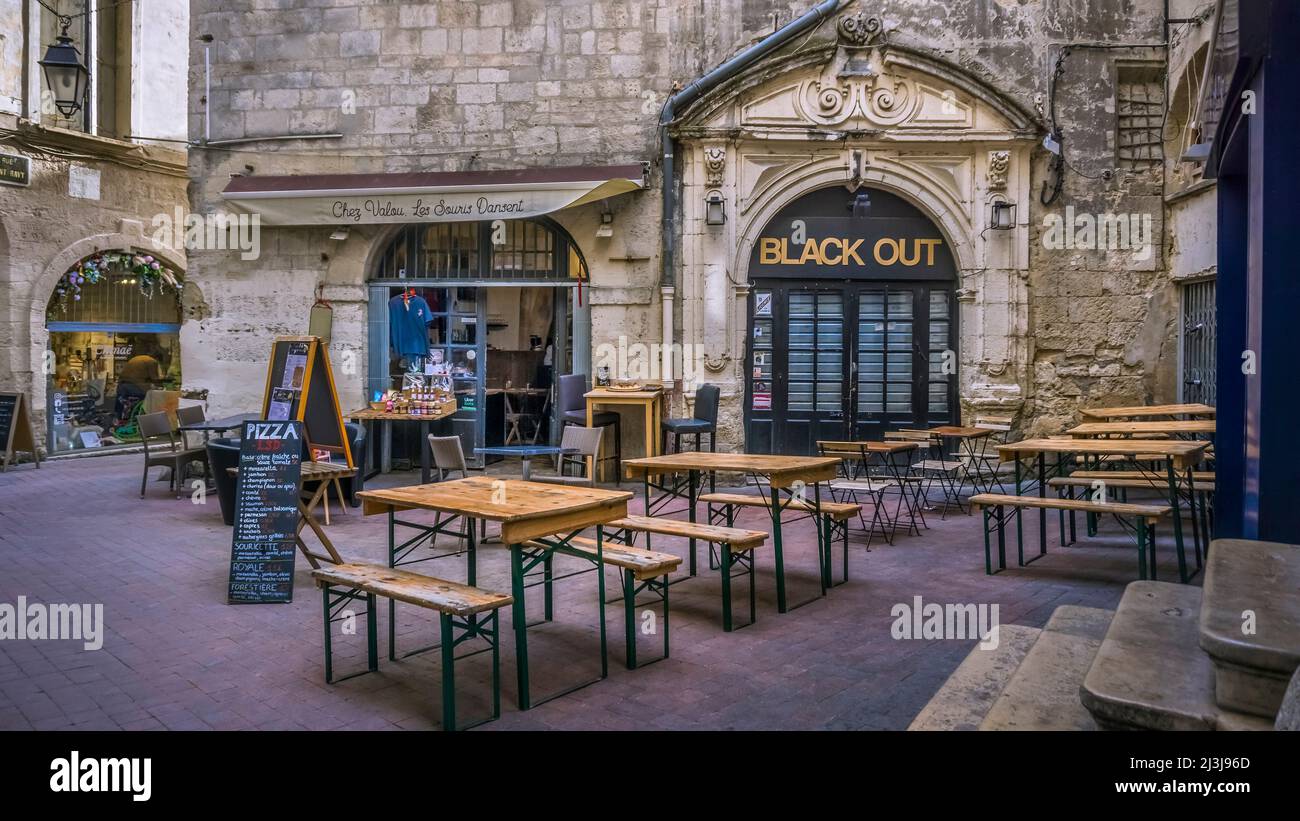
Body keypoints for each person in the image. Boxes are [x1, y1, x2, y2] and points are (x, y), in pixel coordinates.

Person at [115, 345, 163, 423]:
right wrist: (162, 385)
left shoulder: (136, 358)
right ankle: (143, 420)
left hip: (122, 385)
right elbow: (154, 378)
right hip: (133, 386)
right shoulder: (152, 361)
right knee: (147, 398)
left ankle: (118, 419)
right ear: (157, 358)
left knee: (119, 404)